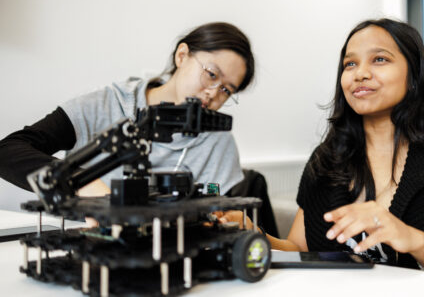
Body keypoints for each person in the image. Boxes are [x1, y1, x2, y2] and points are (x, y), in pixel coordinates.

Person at [220, 19, 424, 280]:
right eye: (350, 64)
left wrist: (415, 240)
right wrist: (257, 235)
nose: (361, 74)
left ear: (414, 75)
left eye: (379, 59)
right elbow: (299, 248)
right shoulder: (326, 160)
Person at [0, 22, 254, 198]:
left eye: (227, 90)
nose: (213, 93)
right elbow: (8, 151)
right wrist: (80, 183)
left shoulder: (219, 142)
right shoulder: (106, 106)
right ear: (182, 55)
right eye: (211, 74)